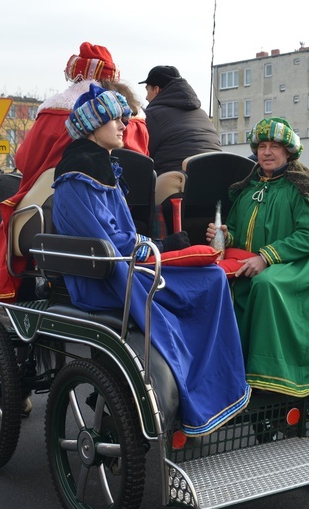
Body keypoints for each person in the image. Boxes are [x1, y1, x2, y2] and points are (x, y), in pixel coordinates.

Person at [52, 84, 250, 436]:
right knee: (210, 280)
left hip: (123, 264)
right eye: (113, 118)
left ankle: (213, 383)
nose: (122, 125)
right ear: (92, 126)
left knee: (213, 276)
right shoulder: (78, 177)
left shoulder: (100, 169)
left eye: (122, 118)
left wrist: (160, 245)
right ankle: (200, 386)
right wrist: (158, 247)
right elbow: (109, 245)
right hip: (104, 277)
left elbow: (120, 236)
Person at [206, 117, 309, 396]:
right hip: (251, 261)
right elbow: (235, 230)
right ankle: (225, 369)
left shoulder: (305, 187)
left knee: (266, 285)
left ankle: (269, 373)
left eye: (275, 147)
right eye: (262, 146)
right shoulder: (249, 187)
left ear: (289, 151)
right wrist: (223, 235)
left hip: (300, 267)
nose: (266, 152)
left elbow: (308, 237)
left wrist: (266, 258)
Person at [0, 42, 146, 302]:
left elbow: (24, 160)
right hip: (134, 210)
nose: (121, 126)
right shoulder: (134, 115)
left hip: (79, 211)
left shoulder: (60, 110)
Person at [139, 65, 221, 174]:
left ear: (156, 90)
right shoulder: (203, 114)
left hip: (178, 182)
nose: (146, 97)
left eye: (147, 90)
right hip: (218, 176)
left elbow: (141, 155)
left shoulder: (150, 115)